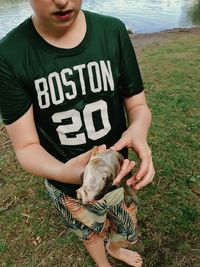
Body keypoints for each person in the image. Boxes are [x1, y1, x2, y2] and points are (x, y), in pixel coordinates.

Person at [0, 0, 155, 266]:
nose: (62, 1)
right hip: (66, 185)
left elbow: (137, 105)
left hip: (117, 174)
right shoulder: (10, 55)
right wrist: (65, 173)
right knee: (88, 232)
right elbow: (25, 146)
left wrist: (138, 130)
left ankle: (116, 249)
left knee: (123, 224)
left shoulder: (112, 31)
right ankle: (102, 262)